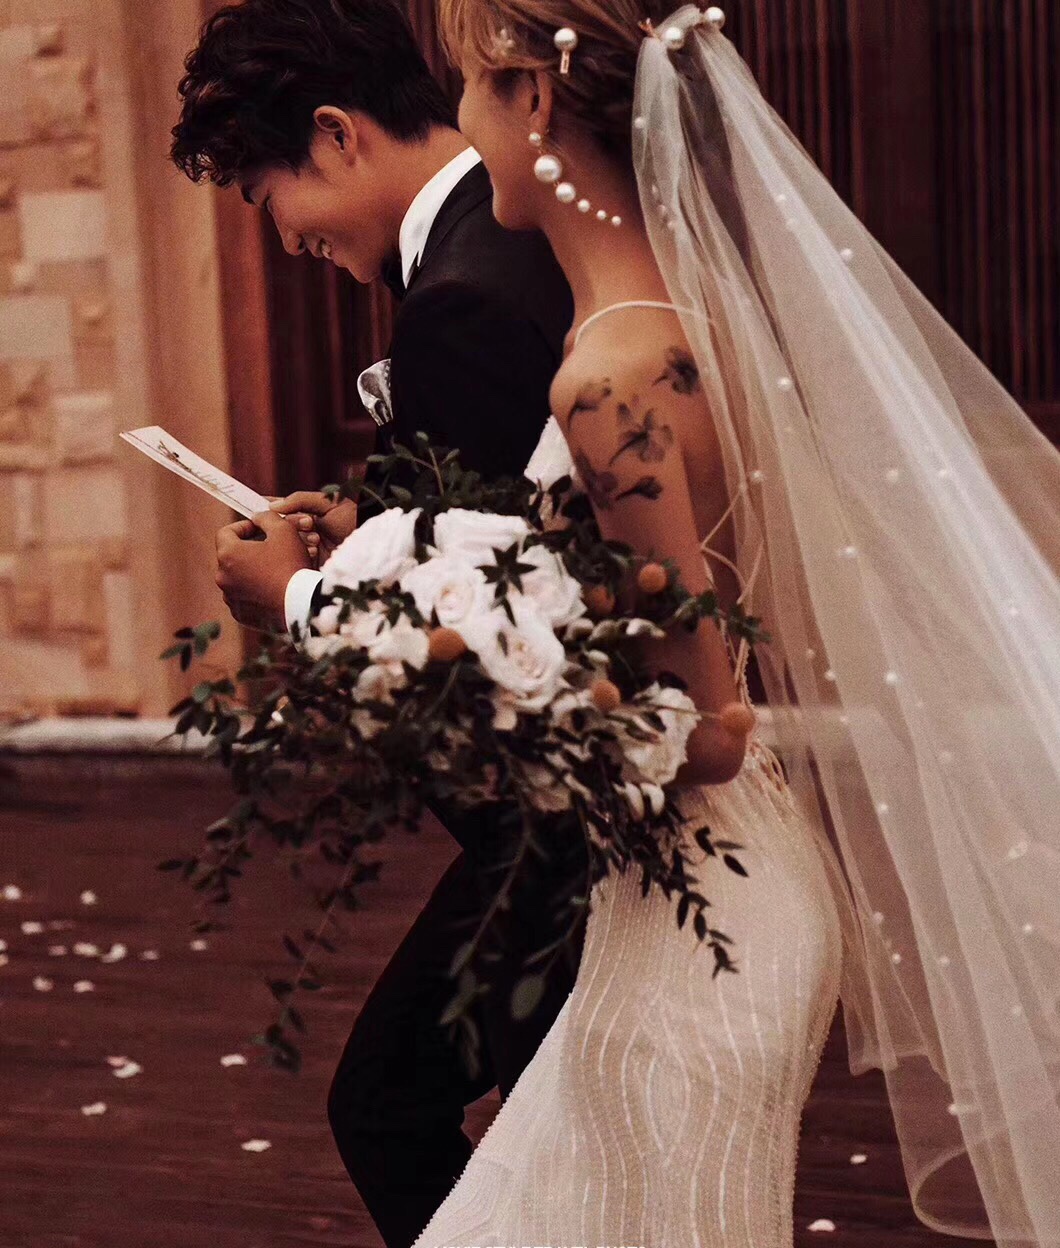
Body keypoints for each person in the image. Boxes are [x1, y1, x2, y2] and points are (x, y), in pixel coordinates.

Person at [400, 2, 1060, 1246]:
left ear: (532, 100)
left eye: (471, 89)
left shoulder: (612, 380)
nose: (464, 127)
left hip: (705, 913)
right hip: (691, 901)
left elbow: (704, 728)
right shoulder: (682, 334)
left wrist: (465, 690)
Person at [169, 4, 585, 1247]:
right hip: (570, 812)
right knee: (541, 1127)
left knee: (391, 1108)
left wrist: (293, 600)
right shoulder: (495, 247)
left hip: (551, 834)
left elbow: (492, 617)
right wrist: (368, 519)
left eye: (267, 196)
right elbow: (517, 511)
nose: (285, 238)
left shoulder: (467, 291)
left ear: (337, 134)